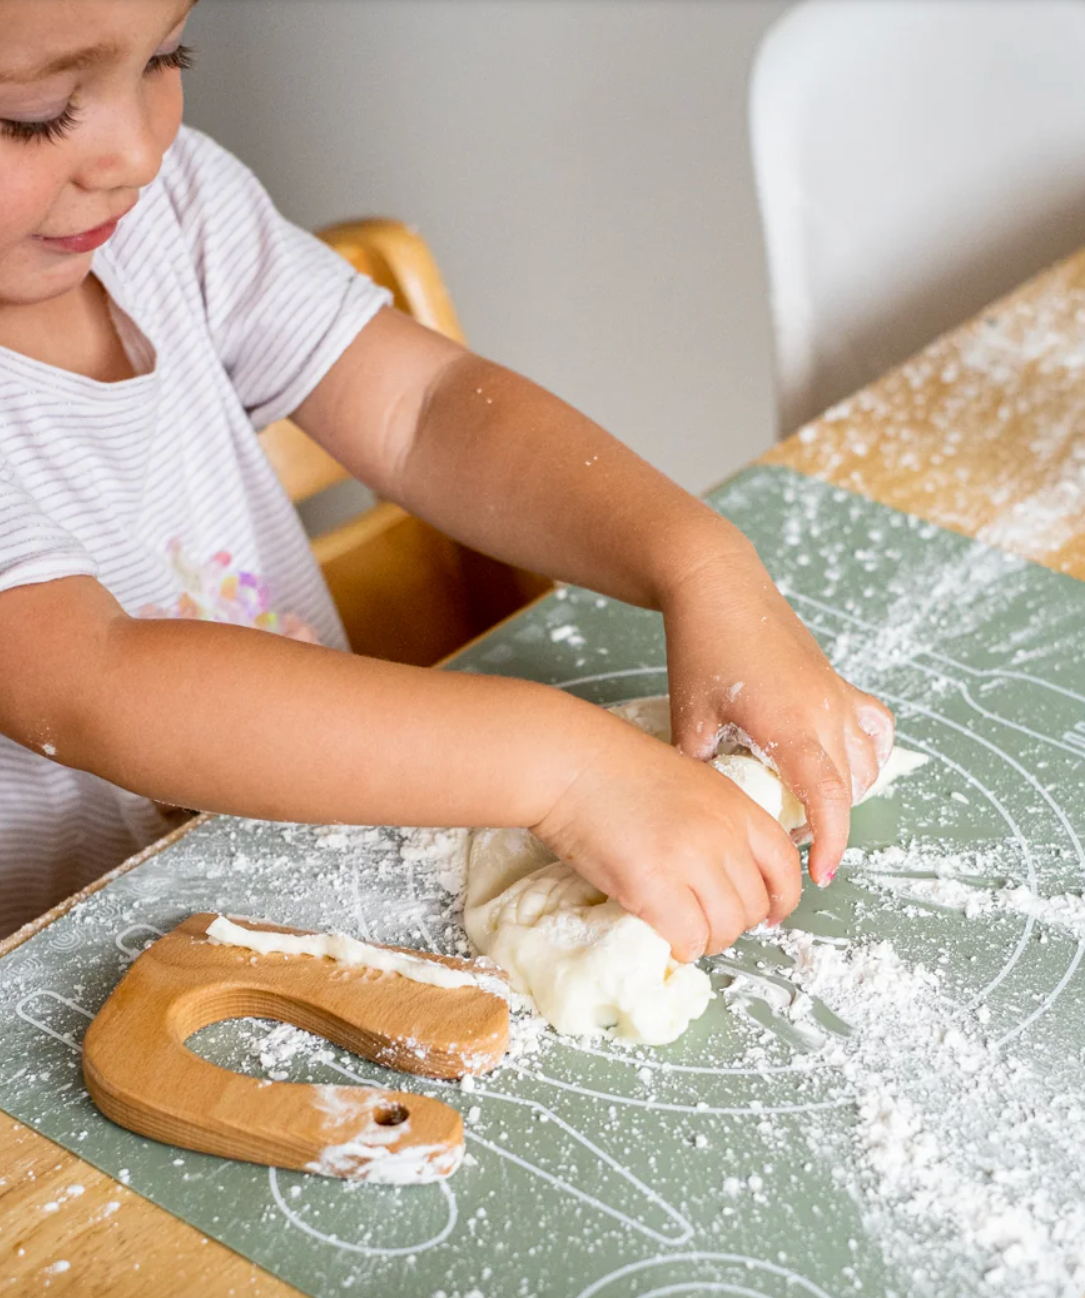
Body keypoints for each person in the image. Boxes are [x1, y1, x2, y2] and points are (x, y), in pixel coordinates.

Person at [0, 0, 894, 947]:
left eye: (163, 58)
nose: (135, 151)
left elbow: (423, 409)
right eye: (35, 111)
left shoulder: (172, 213)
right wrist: (565, 767)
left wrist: (704, 568)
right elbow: (94, 684)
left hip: (297, 883)